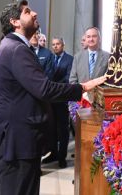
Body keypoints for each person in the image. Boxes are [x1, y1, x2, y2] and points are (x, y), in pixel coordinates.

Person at [0, 0, 105, 195]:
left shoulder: (14, 47)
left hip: (16, 139)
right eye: (27, 12)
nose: (34, 14)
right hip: (15, 141)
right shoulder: (16, 49)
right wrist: (82, 87)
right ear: (15, 22)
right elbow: (45, 89)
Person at [43, 37, 73, 168]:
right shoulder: (49, 58)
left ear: (63, 45)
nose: (55, 46)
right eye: (53, 44)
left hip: (62, 98)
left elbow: (68, 78)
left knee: (63, 129)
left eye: (58, 44)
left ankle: (62, 157)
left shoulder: (69, 59)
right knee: (52, 128)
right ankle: (53, 153)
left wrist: (53, 87)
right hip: (50, 100)